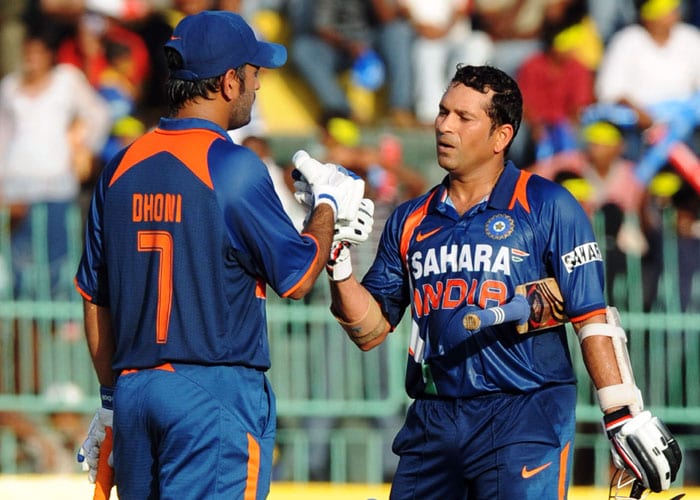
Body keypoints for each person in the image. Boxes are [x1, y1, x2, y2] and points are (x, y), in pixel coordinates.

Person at [315, 64, 681, 499]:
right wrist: (336, 261)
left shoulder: (548, 204)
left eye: (463, 117)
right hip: (434, 418)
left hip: (525, 413)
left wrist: (622, 412)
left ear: (501, 136)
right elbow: (370, 329)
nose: (444, 125)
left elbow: (592, 317)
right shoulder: (410, 219)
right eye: (443, 111)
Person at [73, 10, 366, 499]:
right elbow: (296, 279)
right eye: (254, 74)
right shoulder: (232, 165)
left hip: (134, 393)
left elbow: (93, 297)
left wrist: (109, 401)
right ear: (229, 82)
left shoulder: (120, 165)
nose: (258, 86)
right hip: (213, 394)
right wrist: (328, 206)